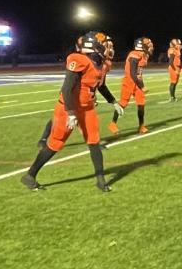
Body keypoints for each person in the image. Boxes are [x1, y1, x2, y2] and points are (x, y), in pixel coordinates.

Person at [21, 32, 118, 192]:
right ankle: (30, 175)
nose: (107, 47)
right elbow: (66, 89)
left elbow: (98, 86)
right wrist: (71, 113)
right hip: (68, 108)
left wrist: (113, 101)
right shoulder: (78, 59)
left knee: (94, 141)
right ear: (93, 46)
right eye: (102, 44)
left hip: (87, 108)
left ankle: (101, 181)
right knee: (55, 144)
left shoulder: (101, 63)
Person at [109, 37, 153, 135]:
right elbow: (133, 74)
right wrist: (141, 86)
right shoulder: (134, 54)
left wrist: (140, 84)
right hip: (129, 82)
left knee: (141, 104)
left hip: (138, 81)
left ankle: (141, 126)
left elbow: (138, 73)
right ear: (141, 45)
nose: (150, 46)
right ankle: (113, 123)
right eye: (148, 44)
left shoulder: (143, 54)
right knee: (123, 104)